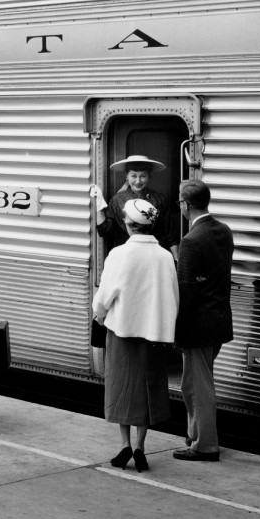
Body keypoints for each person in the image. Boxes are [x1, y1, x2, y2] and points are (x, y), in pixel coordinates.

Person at [92, 199, 179, 472]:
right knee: (146, 389)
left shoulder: (119, 254)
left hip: (122, 332)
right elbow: (173, 298)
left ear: (129, 225)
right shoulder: (166, 257)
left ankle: (124, 445)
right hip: (153, 336)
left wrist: (99, 313)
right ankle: (141, 447)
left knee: (122, 389)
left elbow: (105, 295)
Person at [173, 179, 234, 462]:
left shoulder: (190, 241)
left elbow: (187, 291)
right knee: (196, 383)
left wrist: (179, 333)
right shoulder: (224, 231)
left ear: (185, 205)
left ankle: (205, 445)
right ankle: (194, 432)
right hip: (219, 321)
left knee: (198, 387)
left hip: (198, 325)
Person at [91, 155, 178, 260]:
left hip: (155, 256)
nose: (138, 181)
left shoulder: (160, 200)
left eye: (143, 176)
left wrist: (176, 259)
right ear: (126, 176)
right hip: (127, 257)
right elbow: (105, 231)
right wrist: (99, 203)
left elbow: (171, 234)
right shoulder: (117, 200)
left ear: (149, 177)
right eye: (133, 176)